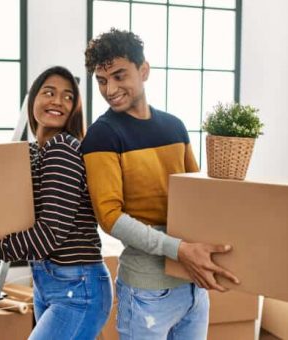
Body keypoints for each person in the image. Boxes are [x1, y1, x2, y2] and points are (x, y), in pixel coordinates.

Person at [81, 28, 240, 339]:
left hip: (193, 289)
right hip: (147, 294)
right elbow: (110, 218)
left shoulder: (174, 127)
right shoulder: (103, 135)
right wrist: (179, 250)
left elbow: (199, 200)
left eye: (119, 75)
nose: (110, 89)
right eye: (101, 80)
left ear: (144, 70)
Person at [0, 66, 113, 340]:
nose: (57, 101)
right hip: (50, 282)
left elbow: (49, 235)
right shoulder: (33, 152)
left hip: (76, 288)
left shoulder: (62, 148)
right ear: (33, 100)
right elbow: (10, 210)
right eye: (49, 92)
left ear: (75, 109)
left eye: (68, 97)